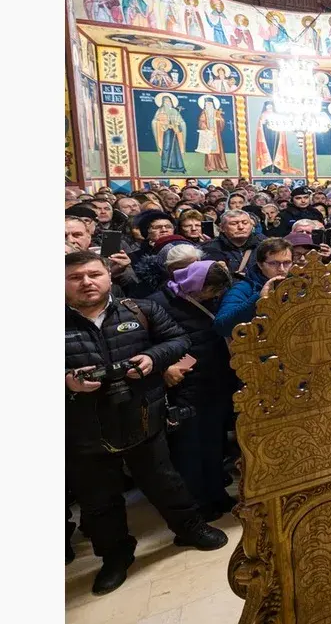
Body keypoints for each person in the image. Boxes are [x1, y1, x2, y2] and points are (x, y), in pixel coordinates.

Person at [65, 251, 227, 595]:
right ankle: (115, 557)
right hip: (83, 426)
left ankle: (190, 528)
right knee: (99, 500)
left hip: (141, 413)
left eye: (94, 274)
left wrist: (153, 358)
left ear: (109, 276)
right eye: (75, 277)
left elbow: (178, 340)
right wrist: (66, 380)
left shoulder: (140, 310)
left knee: (165, 481)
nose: (87, 282)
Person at [147, 259, 238, 521]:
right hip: (184, 387)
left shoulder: (214, 300)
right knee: (189, 449)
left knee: (213, 444)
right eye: (209, 290)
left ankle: (217, 494)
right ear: (194, 283)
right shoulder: (158, 303)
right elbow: (151, 343)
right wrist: (165, 368)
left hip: (215, 380)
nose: (211, 295)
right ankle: (197, 504)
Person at [213, 238, 294, 338]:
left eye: (287, 263)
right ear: (260, 264)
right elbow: (221, 326)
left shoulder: (298, 284)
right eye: (274, 263)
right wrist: (258, 299)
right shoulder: (244, 288)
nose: (281, 269)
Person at [201, 209, 264, 274]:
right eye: (234, 224)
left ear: (251, 226)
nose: (241, 227)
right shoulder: (209, 248)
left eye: (245, 223)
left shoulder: (263, 245)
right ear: (222, 228)